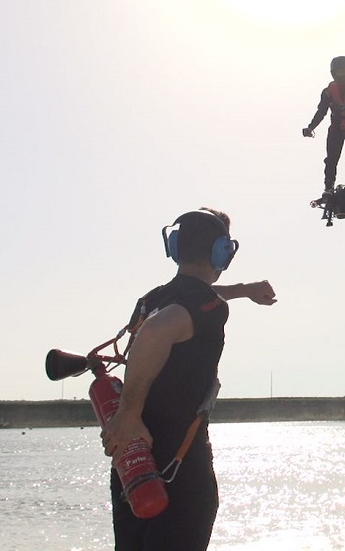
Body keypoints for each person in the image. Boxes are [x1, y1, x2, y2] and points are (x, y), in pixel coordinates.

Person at [101, 208, 277, 551]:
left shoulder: (151, 299)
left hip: (133, 462)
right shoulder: (206, 305)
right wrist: (128, 414)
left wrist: (243, 290)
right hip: (178, 469)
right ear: (222, 252)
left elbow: (186, 302)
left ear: (176, 246)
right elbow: (157, 332)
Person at [301, 55, 345, 197]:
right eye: (338, 71)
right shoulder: (327, 92)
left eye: (343, 71)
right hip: (336, 128)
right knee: (331, 158)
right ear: (333, 73)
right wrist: (311, 127)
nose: (340, 74)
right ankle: (328, 187)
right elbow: (321, 111)